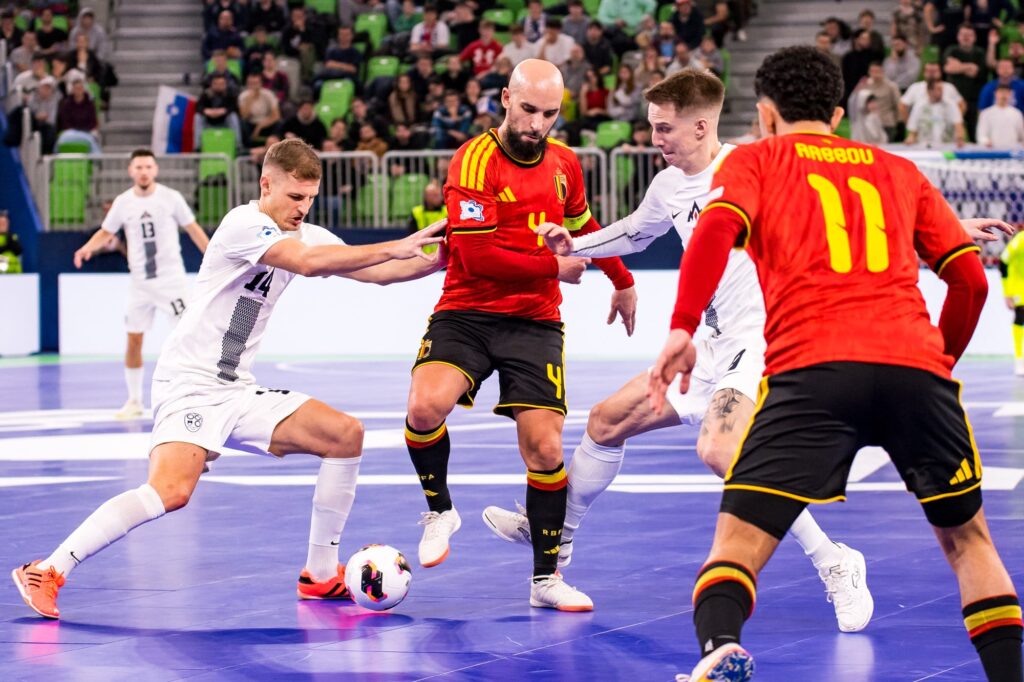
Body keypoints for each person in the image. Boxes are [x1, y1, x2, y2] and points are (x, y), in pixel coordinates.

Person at [647, 45, 1022, 681]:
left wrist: (682, 327)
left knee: (738, 543)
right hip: (915, 370)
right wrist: (938, 365)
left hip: (813, 372)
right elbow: (971, 283)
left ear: (765, 115)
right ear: (839, 114)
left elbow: (713, 230)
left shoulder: (758, 160)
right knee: (970, 543)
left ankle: (720, 646)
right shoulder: (898, 170)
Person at [487, 67, 874, 632]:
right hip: (708, 346)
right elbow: (636, 231)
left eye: (664, 128)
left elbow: (853, 213)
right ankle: (554, 535)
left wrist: (947, 230)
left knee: (720, 451)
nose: (655, 139)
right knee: (606, 421)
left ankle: (834, 560)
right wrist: (577, 244)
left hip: (763, 342)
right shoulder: (668, 185)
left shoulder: (756, 169)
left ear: (700, 126)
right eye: (652, 126)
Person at [12, 139, 447, 620]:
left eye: (310, 198)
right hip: (190, 383)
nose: (302, 208)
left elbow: (382, 272)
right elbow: (306, 262)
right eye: (294, 197)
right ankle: (47, 569)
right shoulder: (244, 224)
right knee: (171, 492)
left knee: (345, 435)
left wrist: (448, 257)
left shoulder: (308, 233)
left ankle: (320, 574)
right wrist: (398, 243)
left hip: (236, 387)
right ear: (266, 185)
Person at [404, 59, 636, 612]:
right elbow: (476, 255)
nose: (537, 123)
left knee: (546, 448)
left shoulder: (565, 163)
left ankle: (545, 580)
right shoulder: (474, 159)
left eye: (549, 114)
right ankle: (440, 510)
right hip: (467, 310)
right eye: (528, 109)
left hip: (535, 321)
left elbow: (583, 227)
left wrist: (622, 280)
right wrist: (554, 267)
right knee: (424, 407)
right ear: (506, 98)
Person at [71, 149, 211, 419]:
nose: (144, 172)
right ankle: (134, 400)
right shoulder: (123, 202)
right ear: (131, 171)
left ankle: (197, 394)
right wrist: (86, 248)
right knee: (134, 338)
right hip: (140, 284)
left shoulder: (171, 197)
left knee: (187, 337)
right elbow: (106, 231)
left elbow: (193, 228)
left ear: (155, 169)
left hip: (171, 281)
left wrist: (212, 254)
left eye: (148, 166)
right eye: (139, 167)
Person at [1001, 232, 1024, 376]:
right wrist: (1007, 292)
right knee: (1021, 317)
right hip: (1019, 286)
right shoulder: (1021, 240)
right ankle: (1019, 360)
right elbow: (1003, 262)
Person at [407, 179, 447, 254]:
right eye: (435, 195)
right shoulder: (416, 212)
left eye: (439, 195)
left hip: (442, 256)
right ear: (427, 197)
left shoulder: (447, 211)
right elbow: (412, 237)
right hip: (420, 256)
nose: (440, 198)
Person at [0, 210, 23, 274]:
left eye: (4, 223)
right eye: (1, 223)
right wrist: (6, 247)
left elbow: (18, 250)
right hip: (2, 275)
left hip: (15, 273)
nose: (3, 225)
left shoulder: (13, 236)